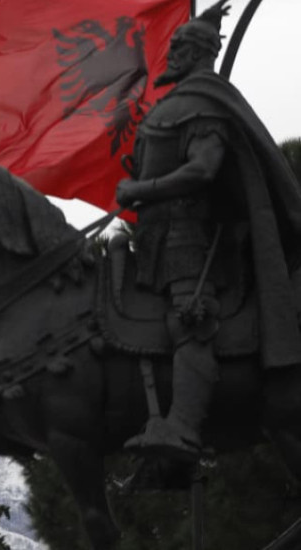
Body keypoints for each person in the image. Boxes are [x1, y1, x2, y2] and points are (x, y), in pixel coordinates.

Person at [116, 0, 301, 460]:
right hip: (157, 237)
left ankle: (183, 426)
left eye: (180, 45)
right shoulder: (177, 101)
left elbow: (203, 170)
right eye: (173, 44)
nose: (171, 52)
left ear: (200, 52)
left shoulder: (203, 103)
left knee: (190, 321)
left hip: (191, 237)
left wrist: (143, 187)